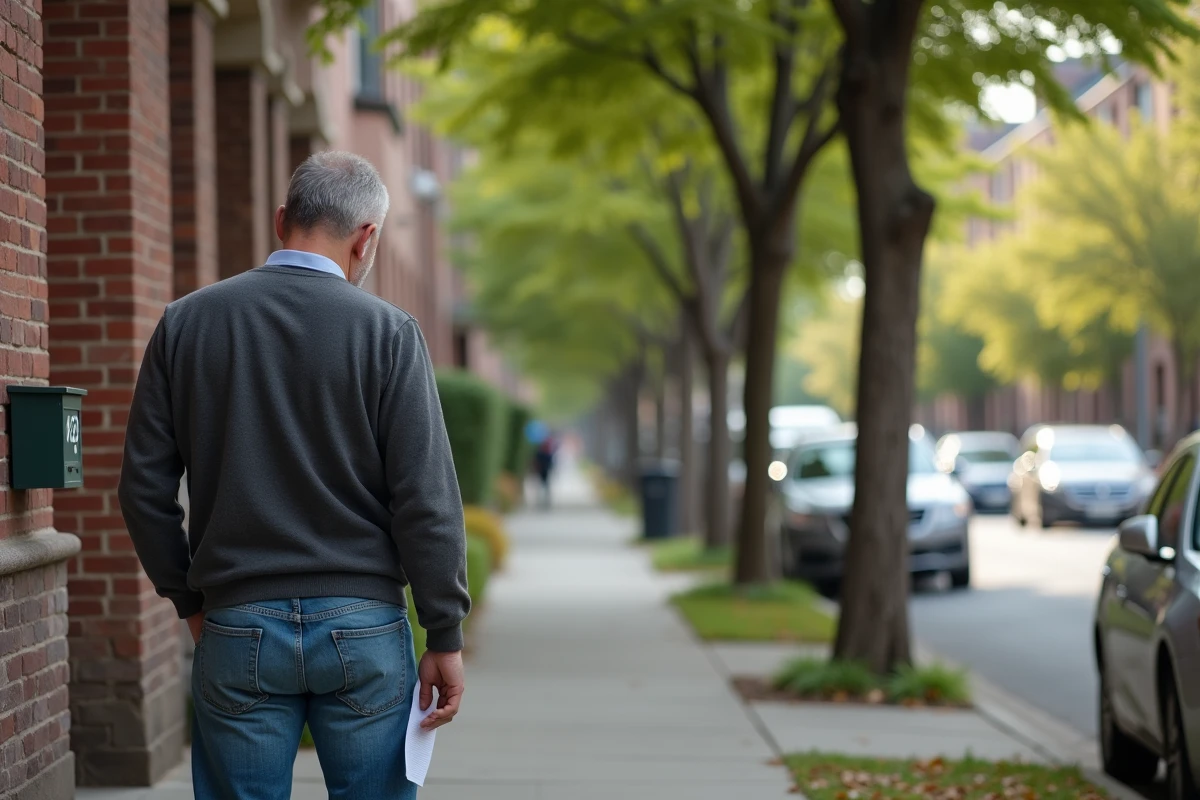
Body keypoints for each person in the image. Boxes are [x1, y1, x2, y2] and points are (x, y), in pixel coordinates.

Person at [118, 152, 470, 800]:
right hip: (364, 627)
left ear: (282, 220)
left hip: (237, 622)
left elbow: (142, 491)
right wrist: (443, 631)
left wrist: (189, 600)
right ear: (367, 238)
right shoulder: (390, 333)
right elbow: (427, 500)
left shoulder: (186, 324)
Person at [534, 430, 557, 508]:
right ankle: (544, 499)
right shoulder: (546, 452)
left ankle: (543, 499)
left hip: (543, 470)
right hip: (544, 470)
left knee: (544, 485)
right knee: (545, 485)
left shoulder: (542, 452)